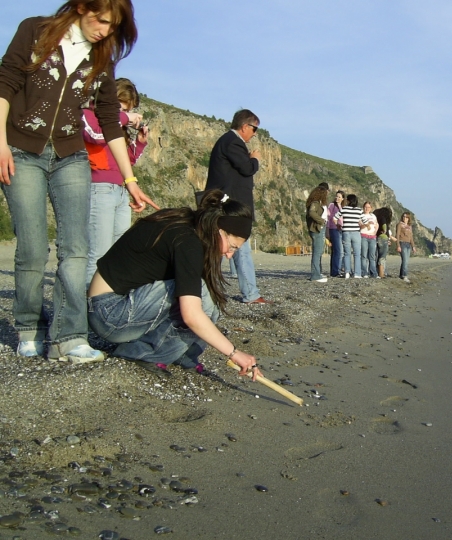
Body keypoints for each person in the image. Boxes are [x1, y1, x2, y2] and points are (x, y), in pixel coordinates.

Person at [0, 0, 157, 363]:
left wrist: (130, 180)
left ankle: (68, 337)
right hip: (22, 149)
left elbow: (108, 119)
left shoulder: (102, 59)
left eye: (112, 27)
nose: (104, 31)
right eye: (101, 21)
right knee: (33, 249)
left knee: (76, 249)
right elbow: (6, 83)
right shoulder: (35, 31)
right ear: (83, 7)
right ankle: (29, 327)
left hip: (71, 156)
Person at [87, 189, 261, 378]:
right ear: (219, 230)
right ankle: (142, 353)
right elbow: (191, 315)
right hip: (109, 314)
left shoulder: (188, 224)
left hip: (120, 306)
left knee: (209, 300)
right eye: (232, 247)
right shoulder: (187, 241)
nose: (229, 255)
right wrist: (234, 353)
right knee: (199, 297)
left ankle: (181, 354)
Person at [83, 77, 148, 285]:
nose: (125, 113)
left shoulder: (117, 127)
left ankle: (106, 298)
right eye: (122, 107)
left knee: (117, 251)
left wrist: (138, 143)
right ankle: (87, 307)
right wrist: (122, 117)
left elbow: (126, 162)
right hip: (98, 188)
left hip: (120, 190)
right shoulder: (88, 115)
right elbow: (94, 135)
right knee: (98, 253)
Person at [204, 109, 269, 304]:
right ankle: (249, 294)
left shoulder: (228, 142)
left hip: (229, 205)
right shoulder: (233, 142)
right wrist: (255, 159)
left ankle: (244, 292)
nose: (255, 133)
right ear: (244, 126)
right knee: (231, 249)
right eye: (254, 128)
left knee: (225, 249)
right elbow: (247, 169)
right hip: (231, 207)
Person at [305, 185, 328, 283]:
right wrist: (321, 221)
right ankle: (315, 275)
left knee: (318, 253)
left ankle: (317, 273)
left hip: (317, 229)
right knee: (317, 253)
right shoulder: (315, 203)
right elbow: (311, 212)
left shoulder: (314, 202)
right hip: (317, 229)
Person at [339, 194, 362, 279]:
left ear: (348, 201)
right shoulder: (359, 210)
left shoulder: (344, 209)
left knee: (347, 253)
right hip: (356, 232)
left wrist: (339, 226)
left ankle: (347, 272)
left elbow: (335, 218)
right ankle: (357, 273)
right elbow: (364, 221)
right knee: (357, 254)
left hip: (346, 232)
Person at [326, 190, 344, 277]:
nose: (337, 198)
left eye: (339, 197)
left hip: (341, 230)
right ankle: (335, 271)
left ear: (343, 198)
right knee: (338, 251)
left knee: (336, 251)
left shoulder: (342, 207)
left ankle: (334, 270)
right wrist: (327, 231)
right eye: (336, 196)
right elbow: (328, 217)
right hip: (334, 229)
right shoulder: (332, 205)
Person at [373, 207, 395, 278]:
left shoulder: (377, 218)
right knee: (382, 256)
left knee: (377, 256)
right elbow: (384, 225)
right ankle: (381, 273)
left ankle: (378, 272)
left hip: (376, 238)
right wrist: (385, 231)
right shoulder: (383, 218)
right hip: (383, 238)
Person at [359, 201, 378, 278]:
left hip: (372, 237)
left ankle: (373, 273)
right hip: (364, 236)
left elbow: (377, 224)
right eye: (365, 207)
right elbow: (360, 226)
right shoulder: (361, 215)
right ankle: (364, 272)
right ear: (363, 207)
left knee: (372, 256)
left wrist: (375, 232)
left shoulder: (373, 216)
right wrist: (367, 224)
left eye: (368, 207)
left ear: (371, 208)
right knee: (363, 255)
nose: (367, 208)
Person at [396, 212, 416, 283]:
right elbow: (397, 235)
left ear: (408, 218)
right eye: (404, 217)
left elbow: (411, 237)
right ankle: (405, 275)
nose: (405, 218)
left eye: (406, 217)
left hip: (408, 245)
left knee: (406, 261)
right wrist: (398, 245)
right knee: (405, 260)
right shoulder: (400, 224)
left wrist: (413, 246)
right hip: (402, 243)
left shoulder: (410, 226)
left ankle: (401, 275)